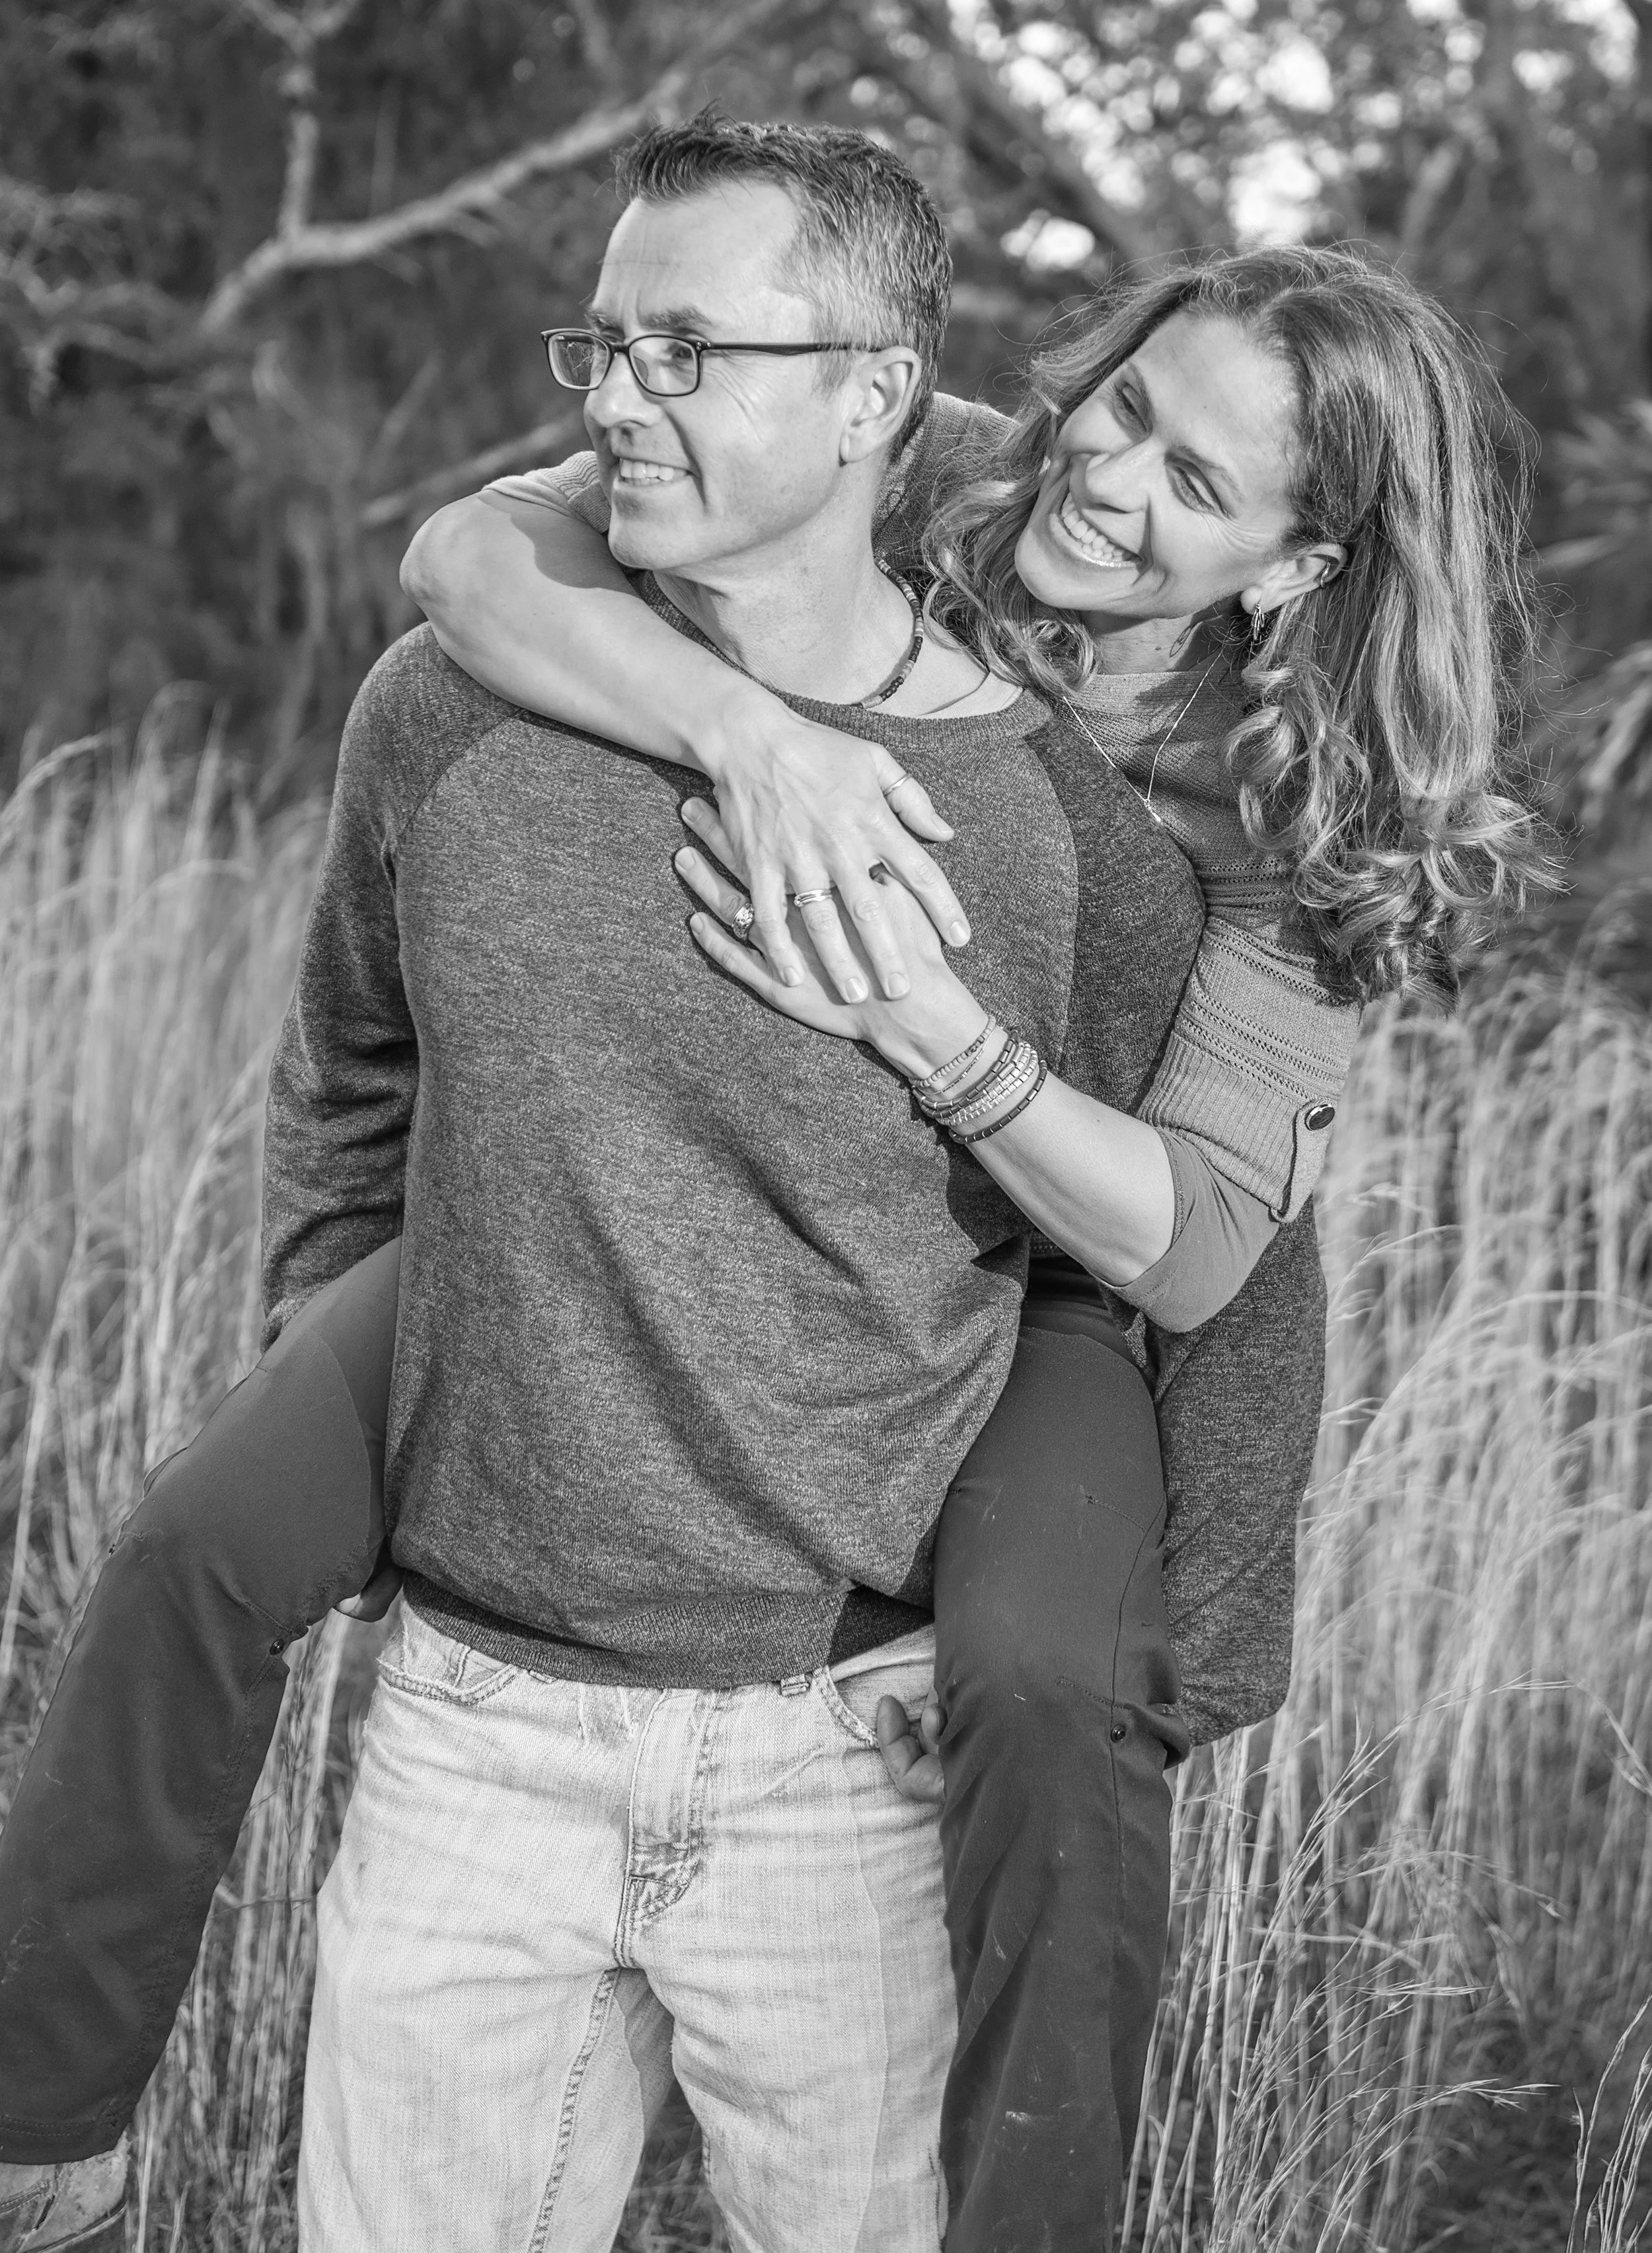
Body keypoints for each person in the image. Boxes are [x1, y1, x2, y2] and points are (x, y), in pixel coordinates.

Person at [0, 121, 1540, 2253]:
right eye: (1128, 409)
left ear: (1290, 563)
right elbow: (468, 559)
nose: (1110, 481)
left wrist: (933, 1023)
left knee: (1040, 1685)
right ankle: (37, 2121)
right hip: (626, 1215)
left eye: (1196, 487)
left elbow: (1183, 1242)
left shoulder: (1303, 811)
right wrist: (764, 741)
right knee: (195, 1537)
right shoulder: (932, 459)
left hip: (1077, 1279)